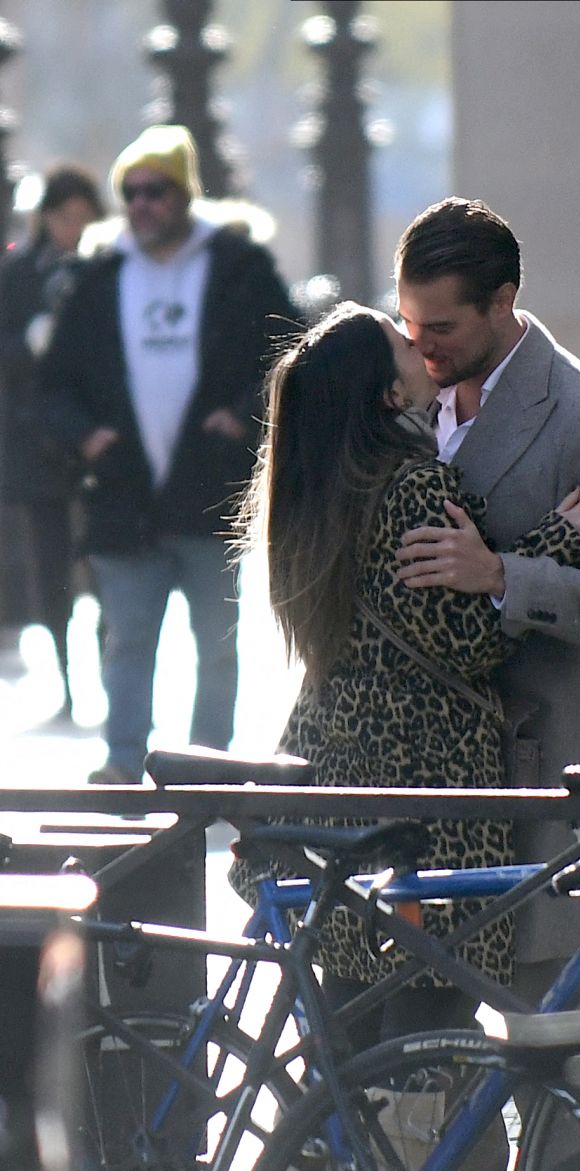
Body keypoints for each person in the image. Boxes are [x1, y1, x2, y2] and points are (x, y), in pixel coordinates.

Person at [229, 300, 580, 1042]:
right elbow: (467, 638)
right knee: (424, 1028)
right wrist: (557, 541)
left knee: (348, 1032)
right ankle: (380, 1154)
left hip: (336, 774)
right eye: (399, 343)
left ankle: (328, 1157)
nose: (417, 345)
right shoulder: (410, 488)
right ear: (390, 394)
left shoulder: (311, 491)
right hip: (425, 799)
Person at [393, 196, 580, 992]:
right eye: (409, 323)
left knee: (550, 1051)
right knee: (424, 1055)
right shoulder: (400, 392)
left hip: (528, 770)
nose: (421, 345)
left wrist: (504, 574)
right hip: (415, 777)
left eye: (441, 327)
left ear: (502, 301)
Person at [40, 124, 297, 783]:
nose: (141, 204)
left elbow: (292, 350)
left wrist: (241, 415)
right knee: (127, 643)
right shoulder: (100, 278)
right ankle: (123, 763)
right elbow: (54, 384)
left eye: (156, 190)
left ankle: (205, 768)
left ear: (184, 195)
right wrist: (87, 436)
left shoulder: (239, 268)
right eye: (130, 193)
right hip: (123, 497)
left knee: (216, 649)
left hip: (210, 494)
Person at [0, 163, 105, 717]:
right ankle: (67, 682)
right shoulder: (19, 273)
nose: (75, 229)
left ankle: (108, 676)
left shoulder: (102, 268)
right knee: (50, 567)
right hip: (37, 444)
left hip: (93, 438)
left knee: (106, 560)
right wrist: (29, 340)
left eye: (85, 219)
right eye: (66, 218)